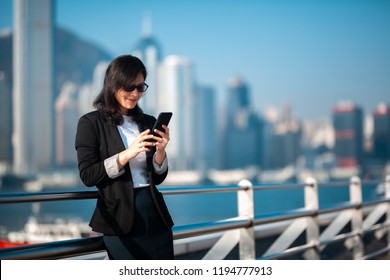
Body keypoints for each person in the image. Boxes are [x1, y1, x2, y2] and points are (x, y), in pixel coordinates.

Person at [75, 54, 174, 260]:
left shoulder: (147, 121)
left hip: (154, 212)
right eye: (129, 87)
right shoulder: (90, 123)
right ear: (113, 84)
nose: (135, 94)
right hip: (118, 216)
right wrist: (128, 153)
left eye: (140, 87)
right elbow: (88, 175)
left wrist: (161, 152)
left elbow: (157, 178)